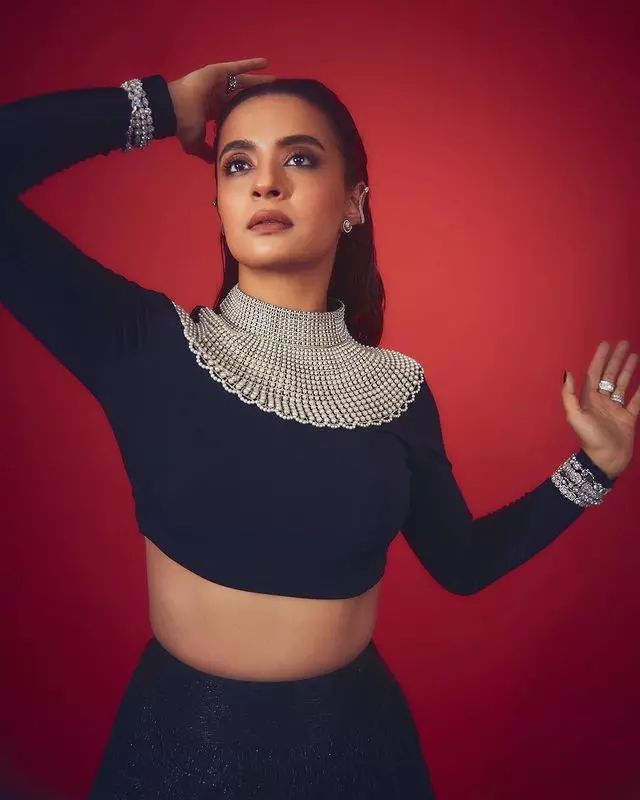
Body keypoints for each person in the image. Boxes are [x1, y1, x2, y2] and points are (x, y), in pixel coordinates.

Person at [1, 56, 637, 799]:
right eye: (239, 164)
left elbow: (461, 565)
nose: (266, 183)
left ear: (353, 201)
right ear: (219, 203)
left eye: (299, 158)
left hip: (360, 753)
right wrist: (159, 106)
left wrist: (592, 471)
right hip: (179, 751)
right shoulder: (142, 345)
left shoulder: (398, 391)